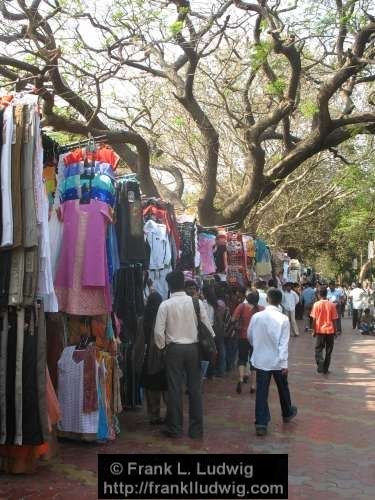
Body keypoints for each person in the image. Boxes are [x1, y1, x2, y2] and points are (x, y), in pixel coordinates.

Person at [154, 270, 215, 439]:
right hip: (193, 349)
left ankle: (175, 427)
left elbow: (158, 333)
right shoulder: (196, 303)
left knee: (174, 388)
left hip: (174, 349)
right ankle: (196, 429)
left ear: (169, 285)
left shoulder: (165, 305)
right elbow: (207, 327)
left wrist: (162, 347)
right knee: (195, 389)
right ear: (183, 283)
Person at [248, 288, 297, 436]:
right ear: (280, 301)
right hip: (277, 361)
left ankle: (261, 423)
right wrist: (284, 364)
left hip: (261, 360)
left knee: (262, 391)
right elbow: (283, 344)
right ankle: (287, 412)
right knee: (283, 388)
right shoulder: (283, 319)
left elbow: (249, 336)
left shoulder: (256, 316)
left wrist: (258, 348)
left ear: (268, 300)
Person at [141, 292, 167, 425]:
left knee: (151, 388)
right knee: (165, 387)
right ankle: (170, 413)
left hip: (148, 359)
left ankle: (153, 415)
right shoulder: (163, 317)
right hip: (161, 357)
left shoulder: (143, 318)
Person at [232, 290, 264, 395]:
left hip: (243, 337)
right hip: (256, 339)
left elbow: (233, 319)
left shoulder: (242, 306)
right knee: (254, 362)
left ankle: (241, 378)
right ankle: (253, 385)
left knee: (242, 359)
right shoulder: (261, 309)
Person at [310, 287, 338, 374]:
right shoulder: (332, 305)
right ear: (326, 294)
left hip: (320, 331)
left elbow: (314, 319)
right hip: (330, 331)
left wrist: (313, 330)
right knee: (329, 351)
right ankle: (325, 369)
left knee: (318, 349)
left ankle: (320, 364)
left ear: (318, 294)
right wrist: (335, 331)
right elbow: (334, 320)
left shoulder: (316, 305)